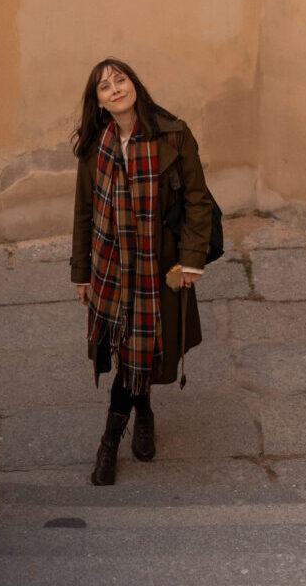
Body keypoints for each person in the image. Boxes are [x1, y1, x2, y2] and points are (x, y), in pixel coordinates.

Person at [70, 58, 214, 485]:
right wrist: (82, 273)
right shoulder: (95, 147)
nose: (115, 89)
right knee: (129, 349)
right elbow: (83, 212)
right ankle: (143, 410)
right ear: (97, 103)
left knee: (141, 347)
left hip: (159, 267)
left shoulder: (174, 134)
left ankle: (108, 443)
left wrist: (191, 260)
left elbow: (197, 201)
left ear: (134, 84)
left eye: (120, 80)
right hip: (111, 267)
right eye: (104, 87)